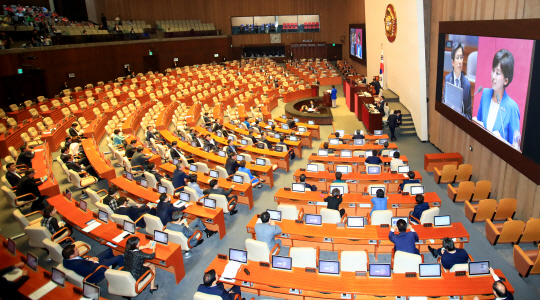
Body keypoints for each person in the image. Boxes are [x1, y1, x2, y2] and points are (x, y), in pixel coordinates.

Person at [475, 49, 520, 148]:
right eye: (493, 71)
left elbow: (515, 149)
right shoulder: (485, 94)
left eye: (498, 73)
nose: (493, 76)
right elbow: (478, 125)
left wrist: (502, 141)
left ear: (506, 80)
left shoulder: (512, 108)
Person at [444, 42, 472, 120]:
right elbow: (444, 102)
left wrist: (459, 115)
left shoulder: (467, 85)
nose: (460, 61)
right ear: (452, 62)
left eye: (461, 57)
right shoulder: (447, 79)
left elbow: (469, 117)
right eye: (457, 58)